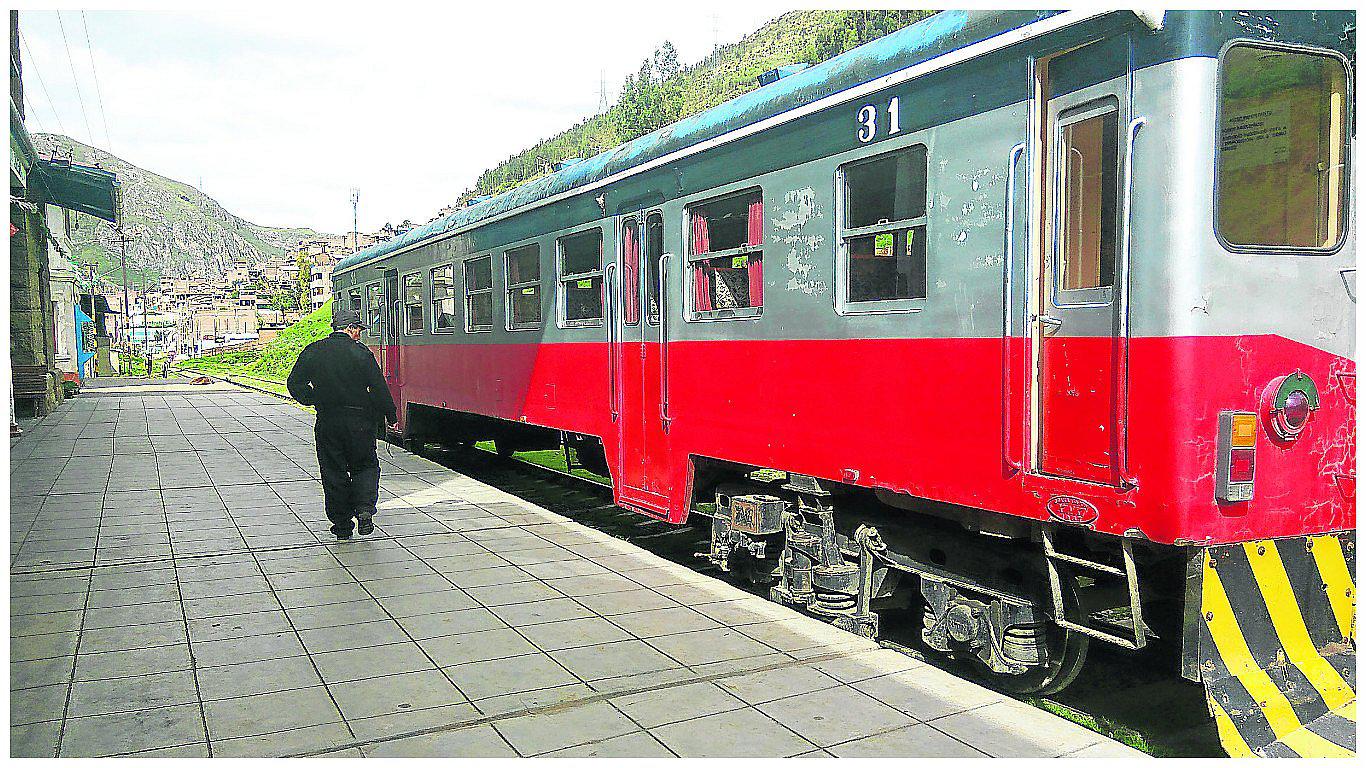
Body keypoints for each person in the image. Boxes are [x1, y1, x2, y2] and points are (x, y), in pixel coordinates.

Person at [286, 307, 397, 540]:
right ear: (350, 328)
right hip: (360, 422)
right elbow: (379, 387)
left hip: (328, 421)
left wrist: (313, 398)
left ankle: (342, 525)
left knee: (333, 471)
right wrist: (391, 415)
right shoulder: (361, 353)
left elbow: (294, 383)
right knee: (365, 465)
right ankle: (364, 509)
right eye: (358, 330)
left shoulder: (314, 350)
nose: (359, 334)